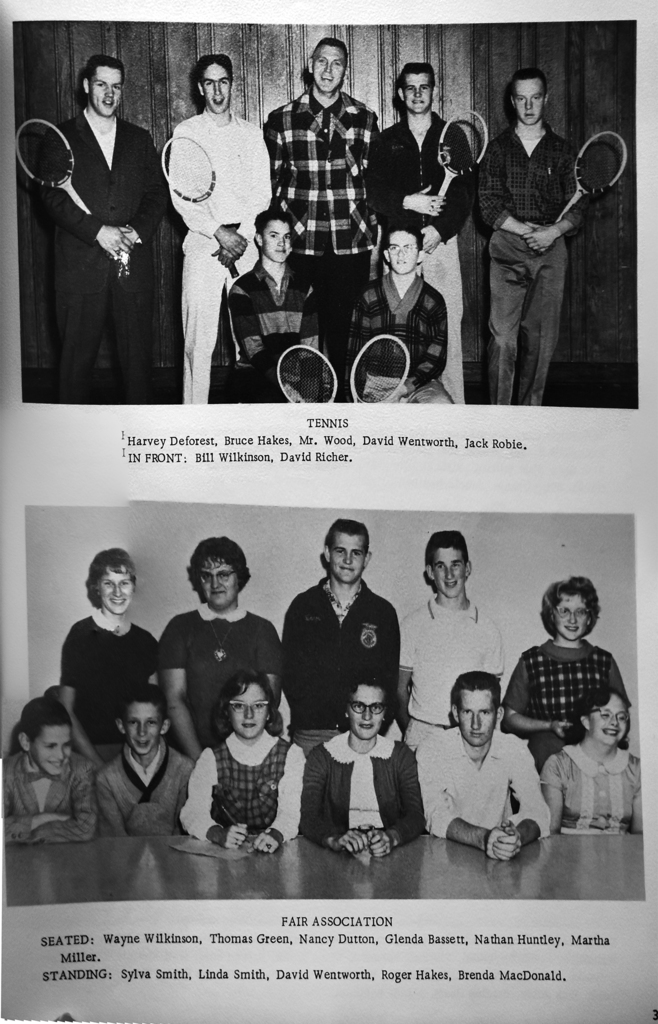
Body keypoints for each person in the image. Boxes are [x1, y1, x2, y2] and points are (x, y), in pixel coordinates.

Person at [41, 54, 167, 404]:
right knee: (74, 371)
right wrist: (99, 232)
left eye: (116, 86)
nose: (109, 94)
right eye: (101, 85)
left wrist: (134, 232)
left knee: (138, 372)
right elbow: (53, 199)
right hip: (80, 272)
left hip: (132, 272)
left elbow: (156, 194)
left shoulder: (139, 139)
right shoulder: (59, 137)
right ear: (86, 86)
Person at [264, 37, 378, 394]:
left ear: (346, 69)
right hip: (301, 242)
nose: (329, 70)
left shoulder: (363, 117)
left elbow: (373, 184)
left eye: (337, 63)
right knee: (302, 332)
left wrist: (374, 237)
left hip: (350, 242)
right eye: (323, 62)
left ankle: (347, 402)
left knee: (346, 330)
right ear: (310, 65)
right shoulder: (282, 119)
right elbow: (273, 183)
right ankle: (307, 403)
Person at [366, 62, 476, 404]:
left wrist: (439, 232)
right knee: (391, 324)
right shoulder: (386, 140)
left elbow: (464, 192)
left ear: (433, 91)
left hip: (438, 245)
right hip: (399, 246)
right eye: (410, 88)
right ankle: (390, 400)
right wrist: (408, 203)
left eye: (423, 87)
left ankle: (452, 404)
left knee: (447, 323)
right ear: (400, 94)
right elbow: (373, 192)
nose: (417, 94)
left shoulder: (452, 136)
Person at [479, 67, 587, 405]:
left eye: (535, 98)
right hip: (507, 248)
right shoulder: (497, 150)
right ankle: (500, 419)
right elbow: (487, 205)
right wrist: (525, 230)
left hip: (551, 249)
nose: (528, 106)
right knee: (503, 341)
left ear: (546, 99)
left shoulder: (564, 151)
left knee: (541, 343)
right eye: (521, 99)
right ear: (512, 101)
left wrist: (553, 231)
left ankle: (529, 416)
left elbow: (579, 209)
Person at [170, 54, 272, 403]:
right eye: (209, 83)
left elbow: (263, 194)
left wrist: (240, 235)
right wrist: (218, 231)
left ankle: (248, 410)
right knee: (199, 340)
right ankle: (193, 418)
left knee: (251, 337)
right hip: (203, 244)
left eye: (223, 81)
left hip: (245, 243)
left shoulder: (251, 133)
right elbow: (182, 199)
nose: (217, 90)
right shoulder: (186, 133)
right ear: (200, 88)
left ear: (232, 84)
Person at [282, 519, 400, 757]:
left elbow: (389, 683)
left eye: (356, 553)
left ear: (367, 558)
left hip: (362, 735)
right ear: (327, 553)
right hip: (311, 734)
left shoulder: (382, 612)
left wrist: (369, 727)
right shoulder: (303, 606)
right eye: (340, 551)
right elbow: (290, 673)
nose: (348, 560)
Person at [159, 537, 282, 761]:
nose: (215, 584)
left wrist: (238, 761)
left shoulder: (262, 630)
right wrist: (200, 761)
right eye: (207, 575)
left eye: (224, 574)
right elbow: (173, 699)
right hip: (189, 754)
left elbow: (268, 703)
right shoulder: (180, 627)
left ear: (239, 578)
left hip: (247, 756)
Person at [502, 576, 630, 772]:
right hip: (546, 760)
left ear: (589, 617)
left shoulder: (605, 662)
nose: (572, 619)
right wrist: (549, 725)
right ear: (551, 614)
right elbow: (509, 719)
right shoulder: (531, 662)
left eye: (580, 611)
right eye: (564, 610)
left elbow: (622, 718)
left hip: (597, 765)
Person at [417, 672, 549, 859]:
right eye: (467, 712)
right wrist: (485, 838)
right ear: (455, 713)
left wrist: (517, 837)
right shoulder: (433, 748)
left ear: (499, 714)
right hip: (445, 855)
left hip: (499, 855)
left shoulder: (513, 748)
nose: (476, 724)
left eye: (485, 712)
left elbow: (538, 811)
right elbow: (434, 815)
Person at [398, 530, 503, 751]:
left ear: (468, 568)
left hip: (469, 737)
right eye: (440, 566)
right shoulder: (412, 624)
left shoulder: (487, 628)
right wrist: (415, 732)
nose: (449, 574)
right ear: (430, 572)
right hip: (423, 735)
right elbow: (399, 690)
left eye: (455, 564)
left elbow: (491, 697)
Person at [180, 671, 304, 851]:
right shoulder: (210, 758)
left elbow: (291, 813)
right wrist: (218, 834)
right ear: (226, 712)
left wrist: (276, 834)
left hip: (276, 849)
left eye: (259, 706)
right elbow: (192, 812)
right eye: (239, 706)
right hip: (225, 853)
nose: (249, 714)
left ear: (269, 713)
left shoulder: (291, 755)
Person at [60, 548, 158, 769]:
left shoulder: (146, 641)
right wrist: (97, 763)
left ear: (133, 586)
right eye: (108, 583)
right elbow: (65, 708)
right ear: (96, 587)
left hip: (136, 753)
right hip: (89, 753)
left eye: (124, 583)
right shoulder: (80, 635)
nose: (117, 592)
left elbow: (155, 709)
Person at [300, 681, 424, 855]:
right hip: (338, 855)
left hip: (389, 852)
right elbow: (308, 817)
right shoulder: (322, 756)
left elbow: (416, 815)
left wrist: (392, 837)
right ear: (346, 710)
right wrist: (333, 839)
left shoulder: (401, 756)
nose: (367, 716)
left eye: (376, 707)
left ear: (385, 713)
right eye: (358, 706)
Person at [345, 225, 450, 403]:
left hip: (418, 384)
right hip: (376, 384)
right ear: (386, 255)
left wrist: (406, 387)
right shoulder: (368, 295)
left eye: (408, 248)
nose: (401, 255)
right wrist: (353, 397)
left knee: (441, 406)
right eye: (395, 248)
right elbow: (355, 353)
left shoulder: (434, 300)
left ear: (421, 255)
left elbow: (436, 358)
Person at [227, 207, 319, 402]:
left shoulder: (305, 288)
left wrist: (309, 389)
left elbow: (310, 347)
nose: (281, 243)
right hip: (255, 376)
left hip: (295, 378)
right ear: (259, 239)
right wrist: (285, 386)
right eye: (274, 235)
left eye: (286, 237)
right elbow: (254, 350)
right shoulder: (242, 289)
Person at [540, 686, 641, 835]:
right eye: (605, 715)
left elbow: (641, 838)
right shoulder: (558, 766)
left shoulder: (636, 769)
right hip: (568, 856)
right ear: (586, 721)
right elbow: (550, 834)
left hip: (622, 855)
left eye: (621, 717)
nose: (615, 722)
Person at [95, 684, 194, 836]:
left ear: (164, 726)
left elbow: (183, 835)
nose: (142, 732)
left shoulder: (185, 770)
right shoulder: (106, 779)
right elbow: (113, 843)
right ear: (121, 726)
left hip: (174, 858)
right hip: (125, 858)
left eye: (151, 722)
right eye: (133, 722)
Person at [4, 697, 97, 844]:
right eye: (50, 746)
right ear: (25, 742)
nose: (61, 756)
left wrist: (31, 831)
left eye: (66, 745)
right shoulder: (5, 772)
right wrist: (43, 818)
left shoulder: (82, 769)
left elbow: (86, 829)